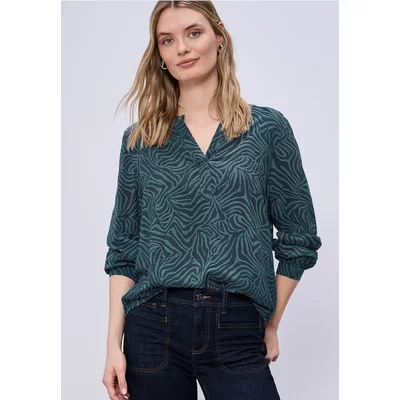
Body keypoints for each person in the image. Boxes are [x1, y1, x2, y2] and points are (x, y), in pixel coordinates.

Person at [102, 1, 322, 399]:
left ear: (219, 36)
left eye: (193, 32)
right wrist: (112, 348)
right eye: (168, 40)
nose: (182, 48)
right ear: (160, 55)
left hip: (236, 324)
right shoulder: (140, 140)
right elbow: (123, 250)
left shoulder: (267, 129)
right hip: (152, 327)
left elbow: (299, 238)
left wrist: (270, 322)